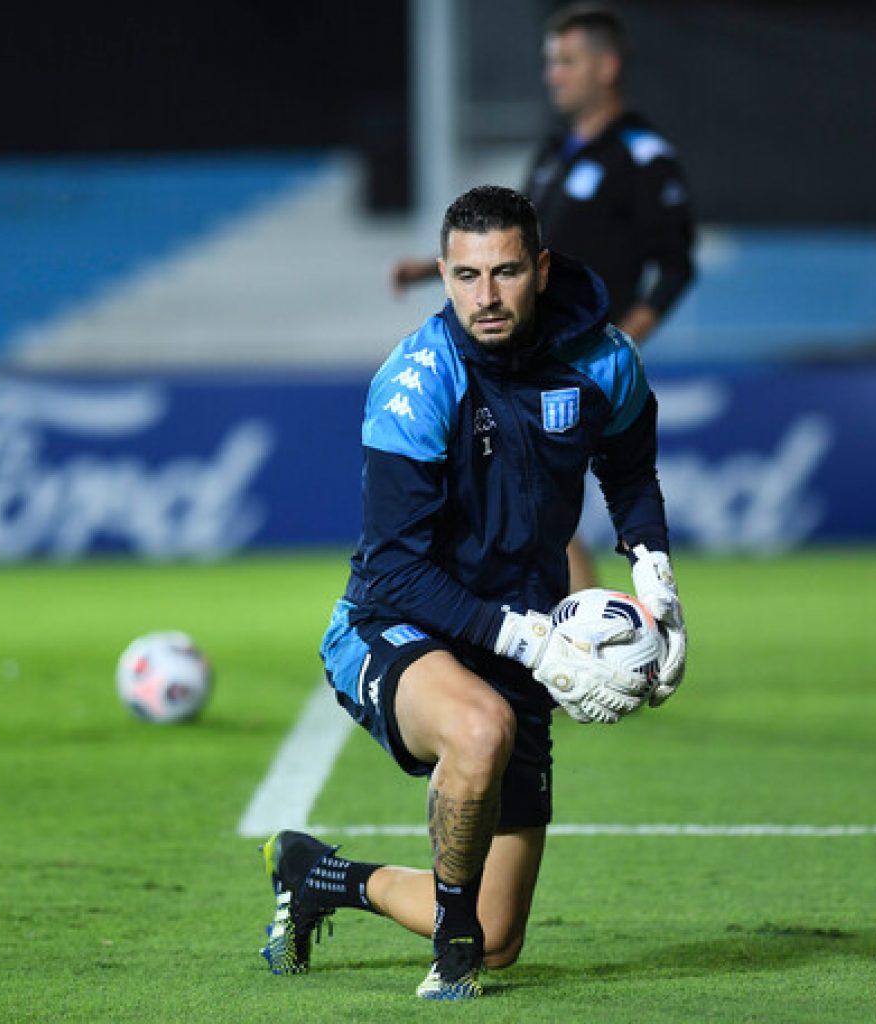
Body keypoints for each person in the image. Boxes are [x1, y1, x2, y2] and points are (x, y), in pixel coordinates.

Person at [259, 186, 687, 1001]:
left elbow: (630, 474)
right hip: (394, 623)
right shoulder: (418, 383)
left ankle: (315, 876)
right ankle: (448, 959)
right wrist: (534, 643)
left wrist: (657, 584)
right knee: (478, 728)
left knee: (501, 938)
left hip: (517, 631)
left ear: (541, 268)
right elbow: (393, 569)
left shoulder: (604, 360)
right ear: (445, 276)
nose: (484, 298)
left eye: (505, 272)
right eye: (464, 276)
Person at [392, 4, 695, 592]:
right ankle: (590, 637)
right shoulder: (555, 153)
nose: (552, 74)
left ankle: (591, 640)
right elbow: (515, 252)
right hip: (528, 350)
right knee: (535, 505)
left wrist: (627, 337)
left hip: (579, 357)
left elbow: (677, 264)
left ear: (606, 67)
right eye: (549, 62)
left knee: (539, 502)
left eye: (566, 61)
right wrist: (432, 273)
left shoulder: (641, 157)